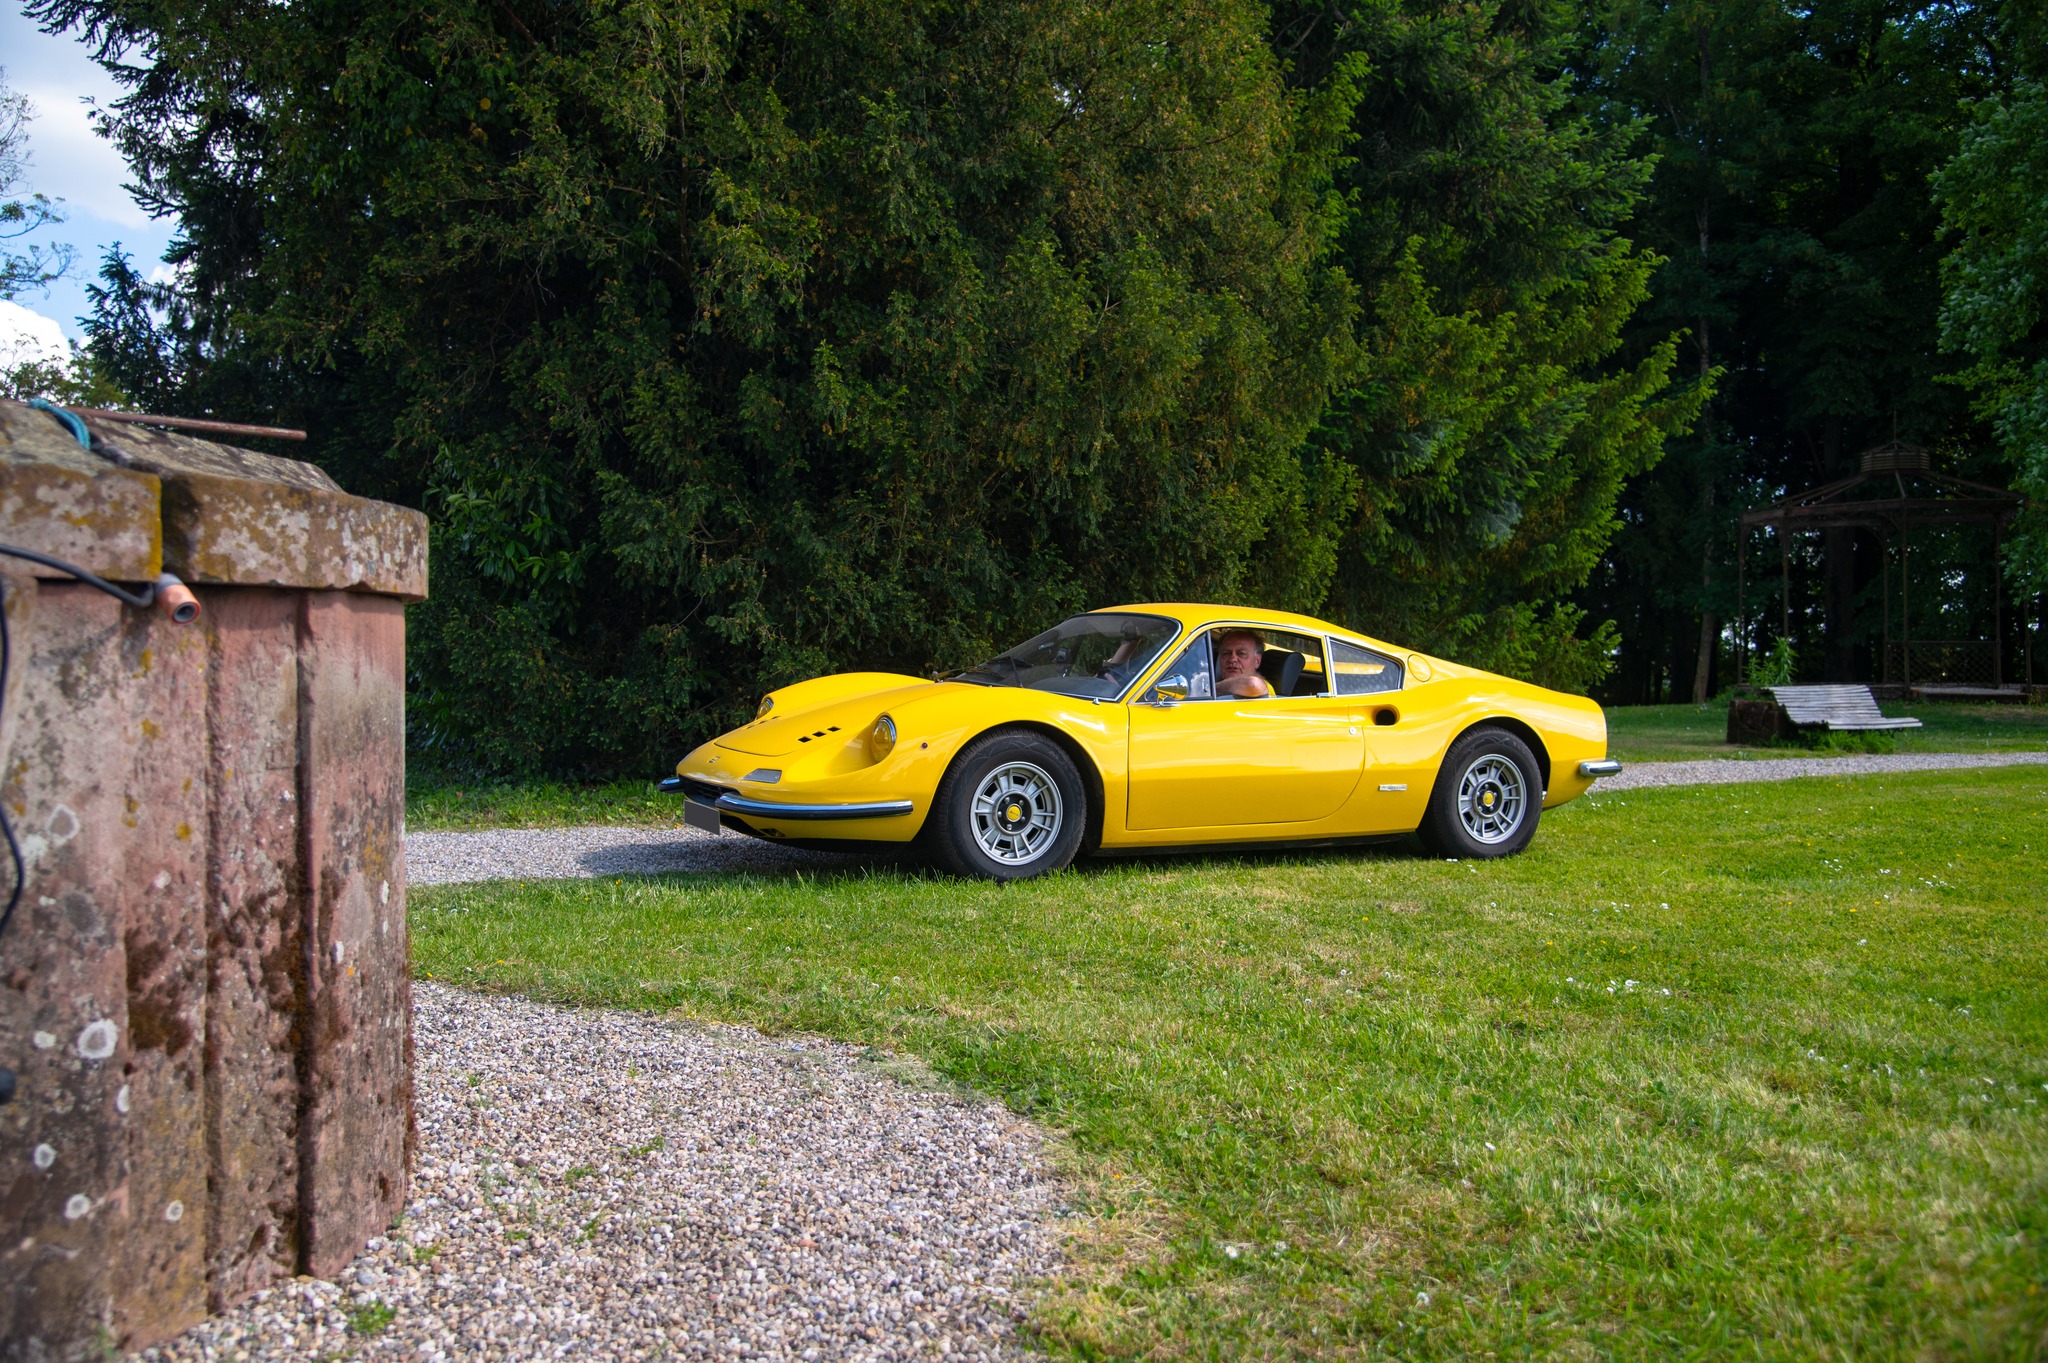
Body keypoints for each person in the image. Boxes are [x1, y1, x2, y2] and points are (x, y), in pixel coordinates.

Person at [1213, 628, 1271, 698]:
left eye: (1241, 653)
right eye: (1226, 653)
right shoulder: (1220, 682)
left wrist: (1211, 690)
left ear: (1257, 661)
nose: (1232, 659)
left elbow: (1253, 684)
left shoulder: (1263, 689)